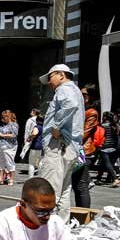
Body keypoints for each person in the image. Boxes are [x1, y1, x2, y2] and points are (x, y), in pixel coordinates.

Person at [37, 63, 85, 221]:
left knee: (49, 186)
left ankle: (46, 227)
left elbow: (69, 104)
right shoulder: (74, 90)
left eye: (50, 77)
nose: (49, 82)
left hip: (58, 146)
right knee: (63, 188)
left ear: (61, 75)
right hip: (69, 146)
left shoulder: (64, 89)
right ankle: (61, 225)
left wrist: (56, 126)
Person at [94, 111, 120, 187]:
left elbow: (99, 135)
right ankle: (100, 178)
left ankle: (115, 179)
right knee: (105, 164)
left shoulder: (102, 125)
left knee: (107, 164)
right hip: (114, 147)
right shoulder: (116, 125)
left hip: (104, 147)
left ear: (105, 117)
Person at [0, 110, 18, 185]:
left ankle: (11, 179)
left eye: (4, 117)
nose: (2, 119)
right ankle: (1, 179)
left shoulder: (13, 124)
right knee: (1, 162)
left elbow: (14, 134)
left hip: (9, 146)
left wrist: (2, 135)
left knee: (9, 162)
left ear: (8, 117)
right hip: (1, 145)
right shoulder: (3, 125)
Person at [20, 108, 39, 172]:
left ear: (34, 112)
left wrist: (25, 139)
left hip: (30, 137)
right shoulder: (39, 120)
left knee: (29, 152)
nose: (30, 112)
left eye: (32, 111)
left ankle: (33, 166)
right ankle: (36, 165)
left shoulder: (30, 120)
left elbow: (27, 130)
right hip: (38, 137)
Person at [26, 113, 44, 177]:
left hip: (35, 146)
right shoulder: (45, 127)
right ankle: (40, 177)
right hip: (43, 147)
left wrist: (29, 137)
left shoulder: (37, 127)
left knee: (31, 163)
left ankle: (30, 178)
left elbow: (34, 133)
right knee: (41, 163)